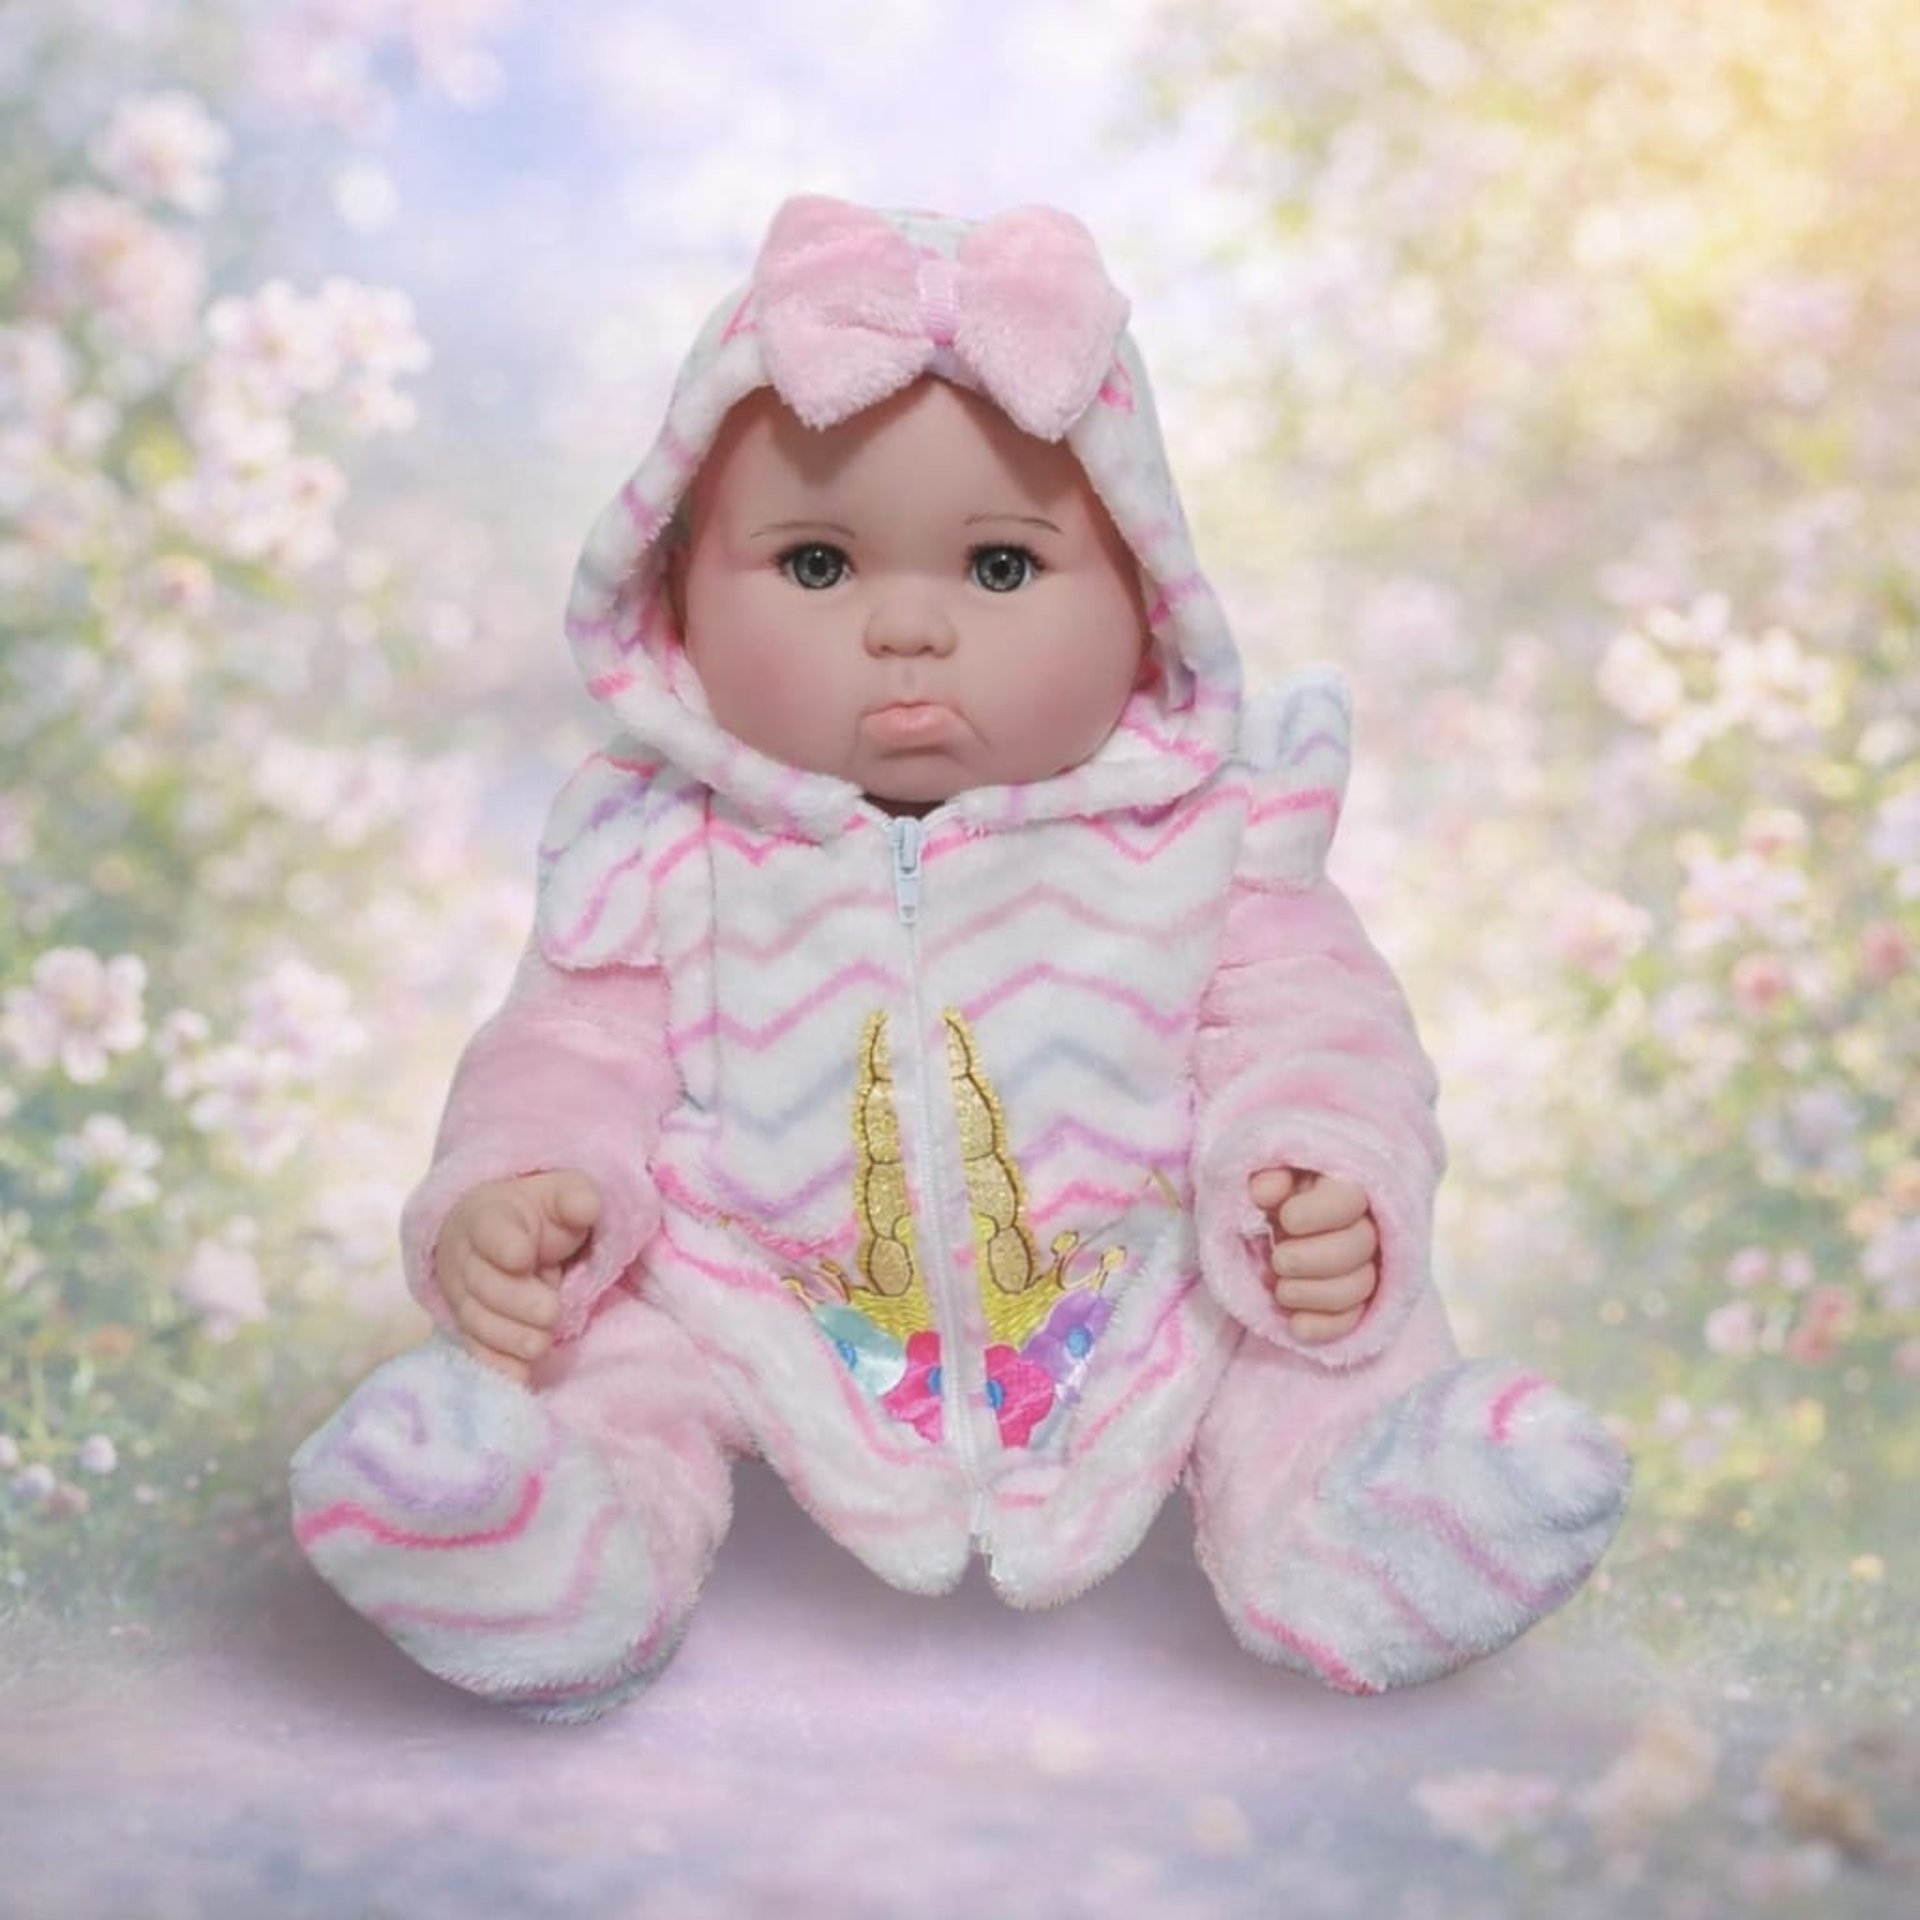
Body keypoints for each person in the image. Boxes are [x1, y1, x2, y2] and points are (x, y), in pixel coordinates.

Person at [290, 195, 1629, 1722]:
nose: (908, 626)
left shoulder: (1213, 833)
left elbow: (1319, 1029)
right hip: (760, 1287)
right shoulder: (661, 845)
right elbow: (566, 1053)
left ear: (1148, 605)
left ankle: (1371, 1522)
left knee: (1313, 1326)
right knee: (603, 1344)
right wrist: (524, 1188)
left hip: (1142, 1278)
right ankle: (545, 1539)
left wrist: (1314, 1160)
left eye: (1000, 569)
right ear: (667, 604)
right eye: (814, 566)